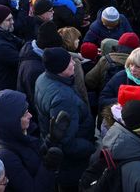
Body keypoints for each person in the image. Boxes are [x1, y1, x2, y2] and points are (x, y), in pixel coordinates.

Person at [35, 47, 95, 191]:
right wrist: (90, 147)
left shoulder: (43, 78)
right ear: (59, 68)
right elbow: (67, 142)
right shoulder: (63, 99)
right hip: (72, 165)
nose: (74, 63)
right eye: (69, 62)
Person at [0, 90, 62, 192]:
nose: (30, 116)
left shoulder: (15, 133)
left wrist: (51, 141)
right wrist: (48, 166)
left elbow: (33, 157)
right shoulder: (5, 157)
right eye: (24, 114)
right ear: (12, 121)